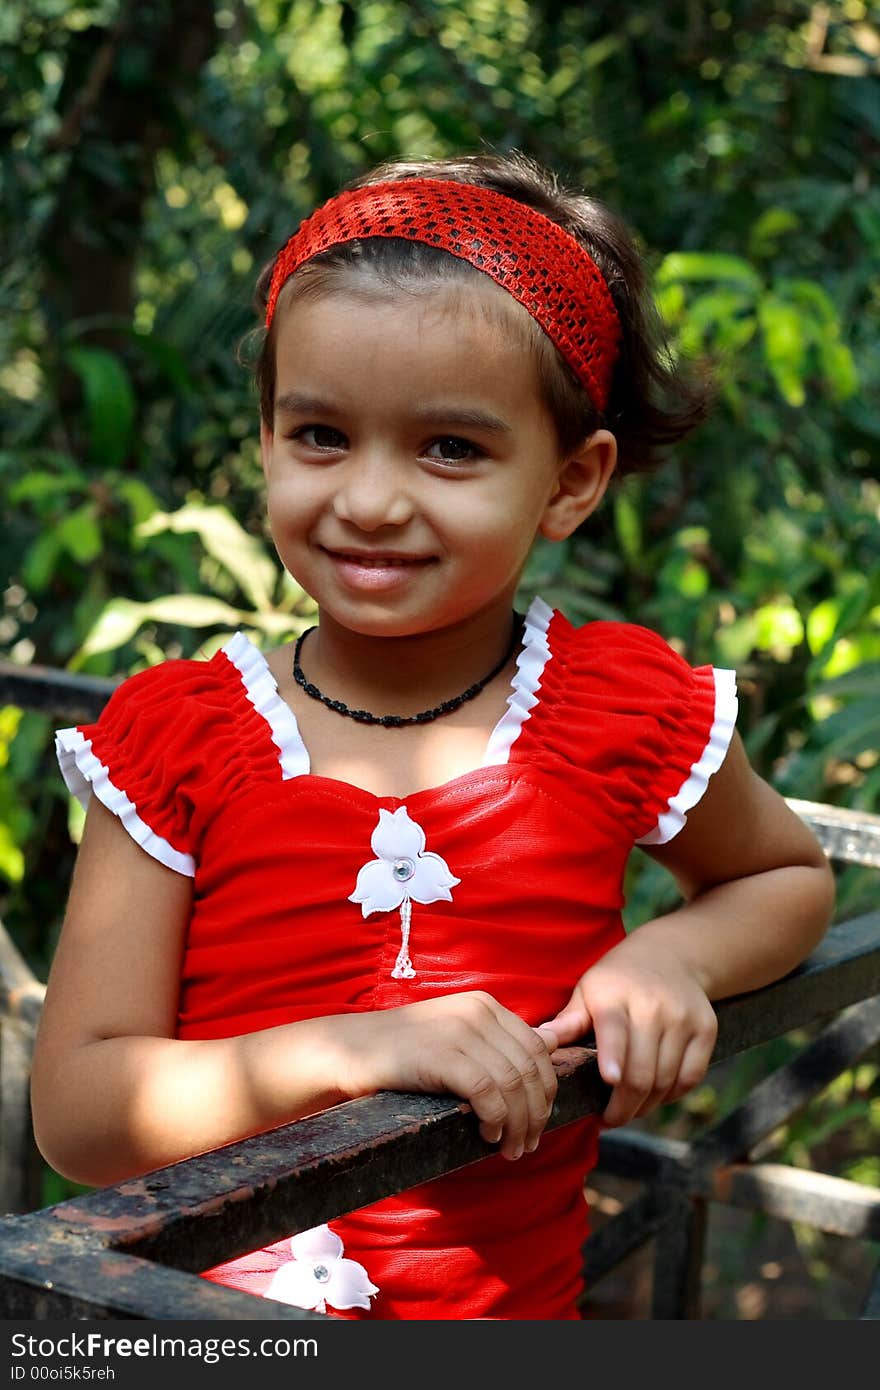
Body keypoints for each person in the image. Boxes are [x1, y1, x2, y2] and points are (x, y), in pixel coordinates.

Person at [31, 152, 835, 1321]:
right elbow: (82, 1114)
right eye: (318, 434)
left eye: (449, 448)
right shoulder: (176, 738)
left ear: (569, 481)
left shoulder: (619, 709)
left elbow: (782, 874)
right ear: (263, 440)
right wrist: (356, 1049)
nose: (368, 498)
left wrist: (671, 960)